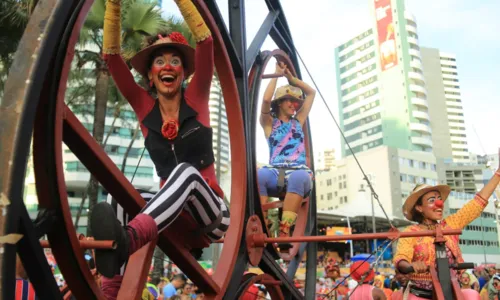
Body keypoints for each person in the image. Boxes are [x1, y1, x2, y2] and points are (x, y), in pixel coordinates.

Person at [90, 0, 230, 298]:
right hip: (171, 213)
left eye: (175, 61)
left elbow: (206, 44)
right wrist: (113, 6)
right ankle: (112, 287)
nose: (168, 66)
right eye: (160, 62)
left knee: (186, 172)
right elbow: (113, 60)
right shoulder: (144, 108)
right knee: (122, 194)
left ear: (183, 73)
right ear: (150, 75)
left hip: (212, 215)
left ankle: (129, 239)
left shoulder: (197, 98)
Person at [394, 157, 500, 300]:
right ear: (419, 207)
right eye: (432, 200)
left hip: (452, 291)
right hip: (421, 295)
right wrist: (410, 265)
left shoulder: (450, 225)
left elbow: (476, 204)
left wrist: (498, 174)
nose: (439, 203)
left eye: (439, 199)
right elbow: (401, 258)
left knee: (473, 295)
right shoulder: (411, 233)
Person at [258, 61, 316, 244]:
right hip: (274, 172)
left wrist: (291, 79)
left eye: (296, 102)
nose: (294, 105)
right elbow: (266, 100)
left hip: (297, 172)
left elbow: (311, 93)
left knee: (300, 177)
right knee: (259, 175)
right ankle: (262, 223)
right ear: (280, 103)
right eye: (290, 100)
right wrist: (276, 75)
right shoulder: (269, 123)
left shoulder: (298, 120)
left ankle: (285, 229)